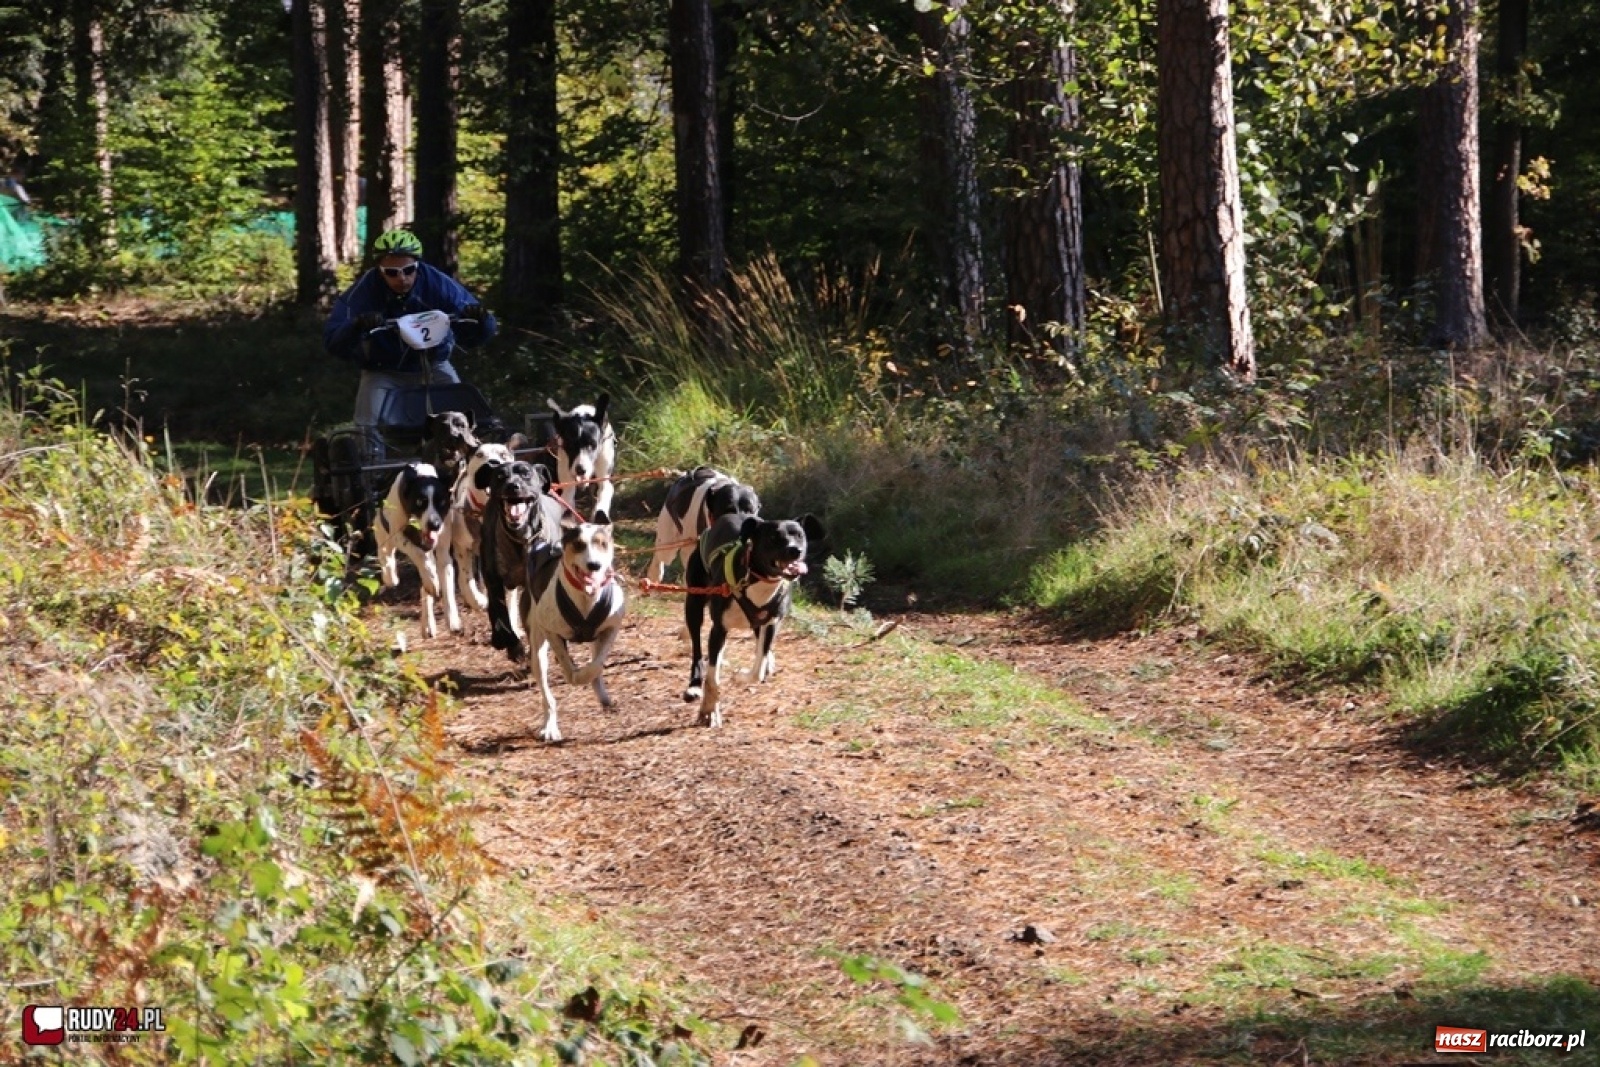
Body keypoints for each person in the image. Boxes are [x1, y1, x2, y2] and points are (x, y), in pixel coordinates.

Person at [323, 228, 498, 442]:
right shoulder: (364, 292)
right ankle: (369, 470)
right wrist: (357, 326)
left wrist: (480, 319)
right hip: (383, 371)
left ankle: (464, 466)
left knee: (462, 421)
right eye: (392, 273)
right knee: (367, 431)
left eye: (409, 270)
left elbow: (478, 332)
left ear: (418, 265)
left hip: (434, 366)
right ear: (380, 270)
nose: (402, 278)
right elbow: (333, 340)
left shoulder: (437, 284)